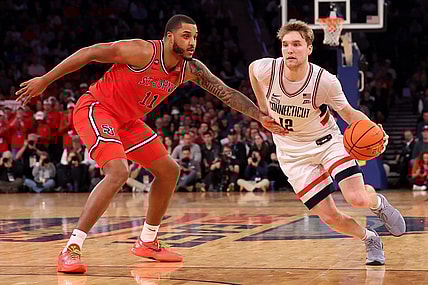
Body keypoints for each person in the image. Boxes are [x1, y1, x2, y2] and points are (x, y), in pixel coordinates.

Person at [15, 14, 286, 273]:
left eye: (195, 37)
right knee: (119, 172)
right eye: (185, 36)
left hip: (129, 122)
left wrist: (260, 116)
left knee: (169, 171)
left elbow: (226, 93)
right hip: (97, 109)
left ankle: (147, 241)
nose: (192, 42)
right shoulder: (142, 52)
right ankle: (71, 248)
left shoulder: (190, 69)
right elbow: (90, 53)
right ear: (170, 38)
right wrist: (45, 80)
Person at [248, 20, 405, 266]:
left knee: (358, 199)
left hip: (327, 143)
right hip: (292, 154)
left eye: (297, 44)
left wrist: (375, 130)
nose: (290, 50)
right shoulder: (267, 69)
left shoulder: (324, 81)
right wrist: (262, 109)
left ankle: (378, 203)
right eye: (285, 44)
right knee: (330, 217)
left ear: (309, 48)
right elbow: (252, 70)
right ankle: (370, 238)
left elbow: (349, 113)